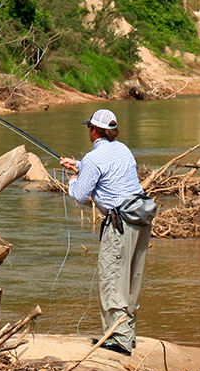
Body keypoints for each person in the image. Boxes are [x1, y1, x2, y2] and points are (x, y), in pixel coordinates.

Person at [59, 109, 156, 356]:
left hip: (120, 223)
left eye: (89, 128)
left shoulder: (94, 159)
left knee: (113, 278)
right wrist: (78, 165)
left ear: (94, 130)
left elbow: (80, 196)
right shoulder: (123, 149)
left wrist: (71, 181)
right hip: (140, 218)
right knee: (132, 278)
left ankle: (118, 340)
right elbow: (108, 169)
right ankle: (127, 334)